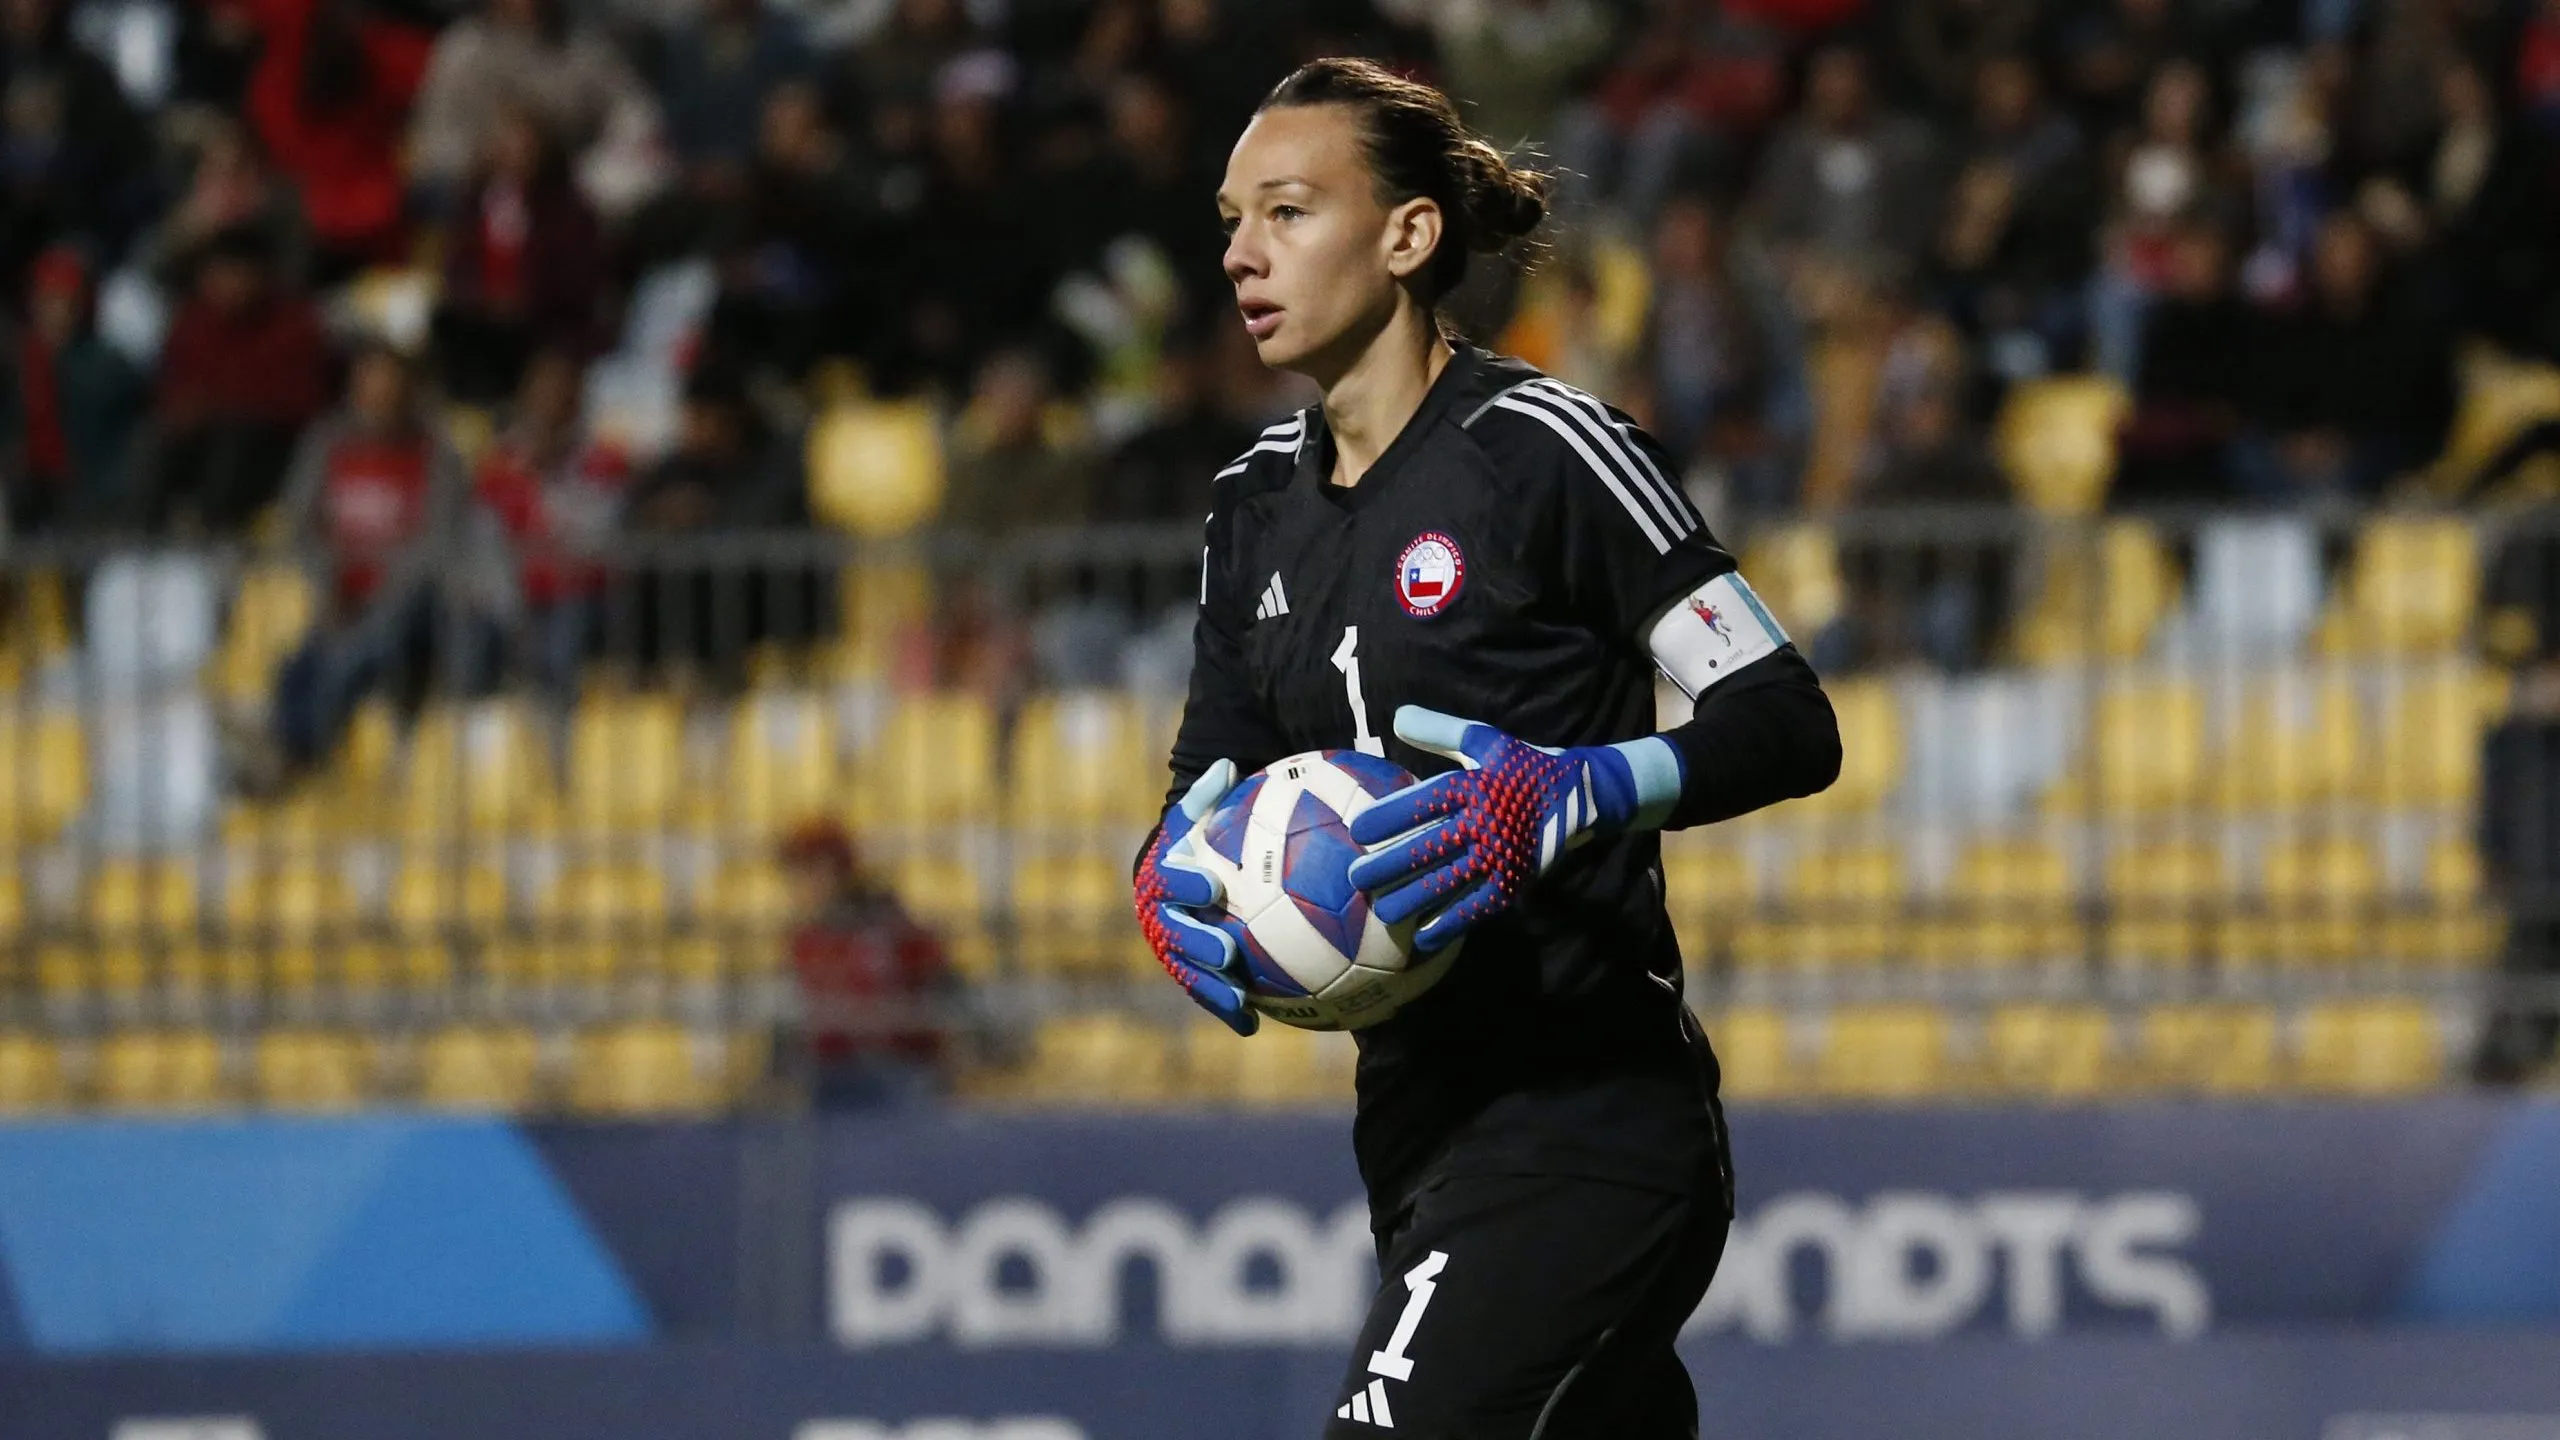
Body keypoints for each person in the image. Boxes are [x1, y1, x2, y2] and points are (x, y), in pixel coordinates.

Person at [1134, 59, 1839, 1438]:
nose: (1240, 251)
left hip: (1589, 1114)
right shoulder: (1247, 510)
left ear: (1407, 238)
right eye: (1232, 217)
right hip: (1413, 1124)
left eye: (1286, 210)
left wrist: (1583, 790)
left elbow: (1784, 716)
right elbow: (1205, 778)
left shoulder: (1546, 450)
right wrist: (1165, 880)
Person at [264, 344, 494, 779]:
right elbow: (300, 524)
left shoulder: (436, 455)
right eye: (369, 385)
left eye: (389, 385)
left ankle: (301, 754)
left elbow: (438, 542)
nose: (379, 397)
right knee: (297, 665)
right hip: (339, 600)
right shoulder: (327, 444)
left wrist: (382, 595)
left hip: (409, 606)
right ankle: (287, 747)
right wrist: (327, 580)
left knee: (361, 647)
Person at [143, 226, 333, 534]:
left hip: (270, 446)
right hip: (199, 439)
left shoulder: (293, 324)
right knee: (152, 443)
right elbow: (168, 386)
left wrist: (220, 406)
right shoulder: (192, 322)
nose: (225, 284)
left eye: (235, 272)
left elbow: (303, 402)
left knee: (232, 444)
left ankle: (217, 542)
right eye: (216, 273)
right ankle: (137, 548)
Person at [775, 817, 956, 1108]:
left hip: (900, 1075)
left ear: (831, 870)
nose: (796, 886)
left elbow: (941, 991)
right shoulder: (805, 941)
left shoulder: (891, 927)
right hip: (831, 1079)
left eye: (806, 871)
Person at [1, 246, 140, 535]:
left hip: (86, 487)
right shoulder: (16, 361)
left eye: (66, 302)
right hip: (23, 485)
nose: (56, 311)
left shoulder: (107, 364)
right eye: (48, 300)